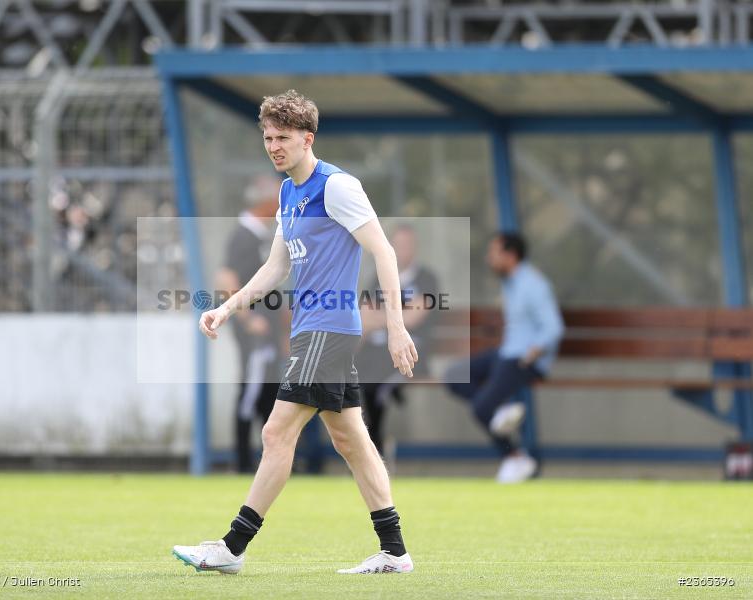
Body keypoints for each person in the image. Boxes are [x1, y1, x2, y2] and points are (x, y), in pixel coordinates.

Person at [173, 89, 418, 575]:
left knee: (275, 430)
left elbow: (384, 252)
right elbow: (275, 267)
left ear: (308, 138)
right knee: (352, 440)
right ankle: (395, 551)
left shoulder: (337, 187)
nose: (274, 145)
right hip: (313, 331)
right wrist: (226, 308)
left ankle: (232, 548)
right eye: (267, 137)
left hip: (329, 330)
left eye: (283, 137)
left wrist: (395, 329)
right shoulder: (288, 192)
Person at [444, 232, 563, 484]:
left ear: (510, 255)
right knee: (454, 376)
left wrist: (533, 352)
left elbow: (553, 327)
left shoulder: (533, 284)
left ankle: (516, 457)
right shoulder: (511, 282)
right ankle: (501, 411)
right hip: (506, 353)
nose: (489, 259)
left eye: (494, 253)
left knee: (480, 408)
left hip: (524, 360)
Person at [215, 175, 286, 473]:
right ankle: (243, 463)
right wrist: (247, 319)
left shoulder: (260, 237)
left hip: (269, 333)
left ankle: (269, 461)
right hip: (254, 334)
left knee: (268, 392)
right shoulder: (243, 235)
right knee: (251, 391)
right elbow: (226, 278)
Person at [358, 224, 439, 458]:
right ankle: (367, 446)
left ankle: (374, 447)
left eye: (407, 245)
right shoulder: (378, 277)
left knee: (375, 382)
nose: (403, 250)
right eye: (398, 245)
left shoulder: (426, 278)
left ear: (414, 248)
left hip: (410, 353)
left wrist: (381, 317)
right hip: (375, 352)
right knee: (352, 375)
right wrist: (395, 315)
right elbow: (365, 315)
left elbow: (414, 317)